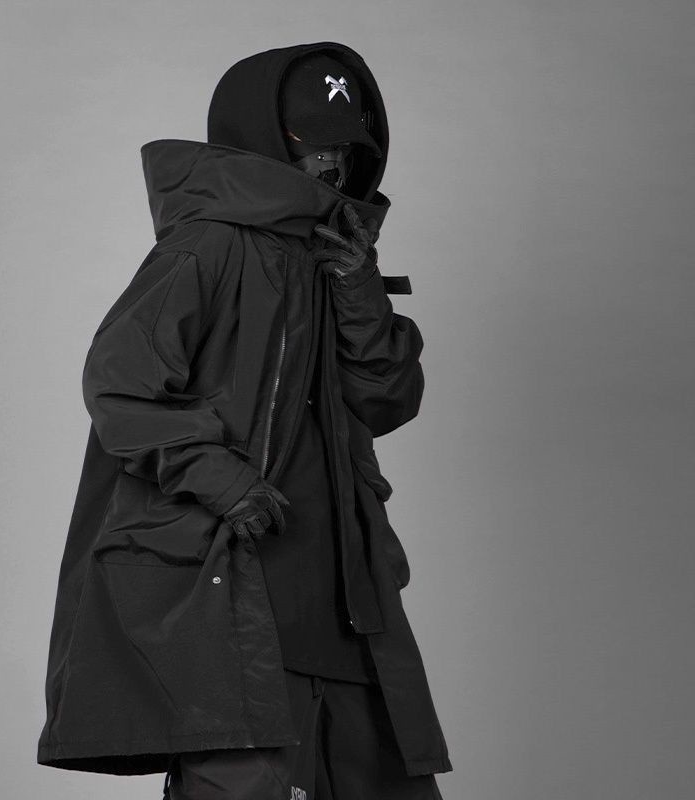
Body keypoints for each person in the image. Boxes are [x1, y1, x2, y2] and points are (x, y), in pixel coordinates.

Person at [37, 42, 452, 800]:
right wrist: (223, 482)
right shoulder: (209, 246)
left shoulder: (335, 258)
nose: (330, 162)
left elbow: (388, 400)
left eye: (344, 146)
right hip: (236, 602)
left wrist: (358, 287)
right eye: (311, 141)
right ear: (262, 136)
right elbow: (120, 387)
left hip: (347, 612)